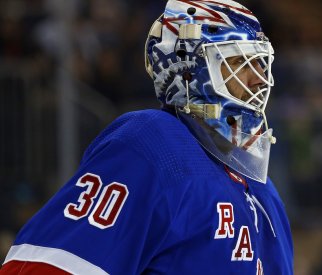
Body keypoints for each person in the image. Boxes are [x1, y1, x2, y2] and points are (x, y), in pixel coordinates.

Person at [0, 0, 293, 274]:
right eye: (240, 63)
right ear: (189, 70)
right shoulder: (154, 142)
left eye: (260, 63)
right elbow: (51, 265)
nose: (260, 78)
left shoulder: (263, 188)